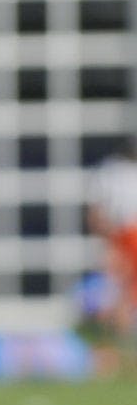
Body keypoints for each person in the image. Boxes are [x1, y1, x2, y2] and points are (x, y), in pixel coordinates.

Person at [87, 141, 137, 336]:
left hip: (120, 233)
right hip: (126, 232)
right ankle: (119, 332)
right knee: (125, 287)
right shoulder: (115, 171)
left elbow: (96, 213)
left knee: (121, 286)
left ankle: (118, 332)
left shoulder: (108, 171)